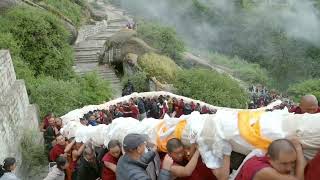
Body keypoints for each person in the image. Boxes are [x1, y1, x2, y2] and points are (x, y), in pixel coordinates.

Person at [235, 138, 305, 180]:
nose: (289, 168)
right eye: (284, 163)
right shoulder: (264, 171)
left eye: (293, 162)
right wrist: (298, 149)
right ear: (269, 158)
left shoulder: (267, 158)